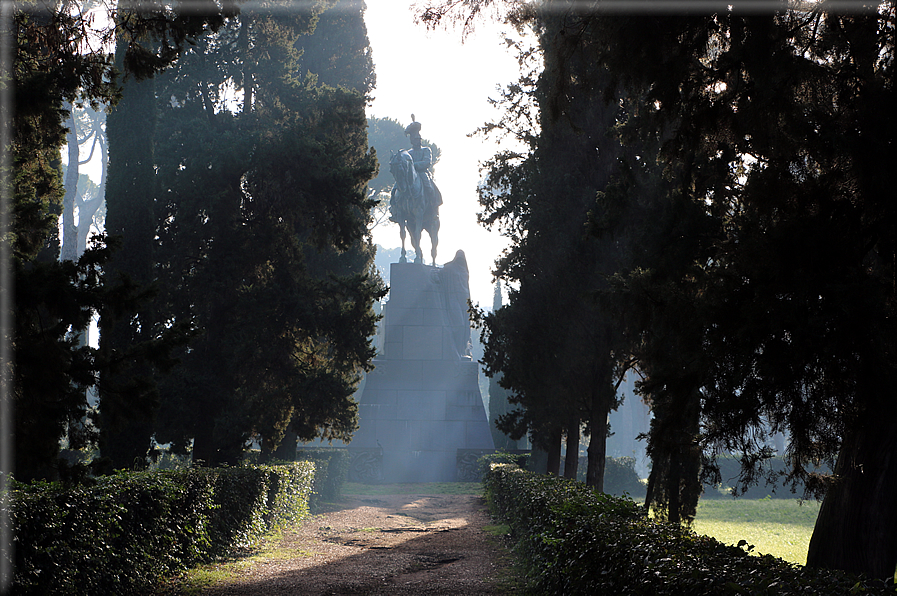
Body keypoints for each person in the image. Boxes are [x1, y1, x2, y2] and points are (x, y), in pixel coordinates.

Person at [389, 117, 442, 223]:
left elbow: (427, 162)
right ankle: (394, 210)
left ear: (420, 140)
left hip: (422, 173)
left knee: (429, 187)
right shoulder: (409, 153)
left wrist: (413, 166)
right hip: (409, 176)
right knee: (395, 188)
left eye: (417, 140)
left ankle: (434, 209)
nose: (416, 142)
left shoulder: (426, 150)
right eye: (414, 140)